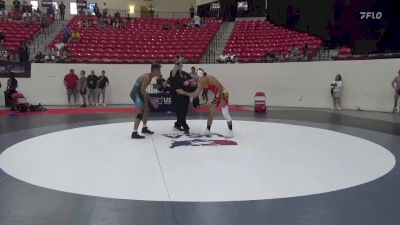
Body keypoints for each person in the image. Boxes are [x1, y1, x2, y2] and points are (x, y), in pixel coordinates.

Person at [177, 68, 234, 138]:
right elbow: (195, 95)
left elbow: (219, 86)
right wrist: (183, 92)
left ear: (200, 74)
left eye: (196, 75)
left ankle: (231, 131)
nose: (196, 77)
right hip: (217, 95)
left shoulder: (210, 77)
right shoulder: (201, 83)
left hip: (223, 93)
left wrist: (222, 100)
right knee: (211, 112)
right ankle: (208, 130)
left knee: (225, 113)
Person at [129, 62, 161, 139]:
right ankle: (134, 132)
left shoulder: (149, 77)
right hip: (136, 94)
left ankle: (144, 128)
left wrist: (148, 100)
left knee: (147, 109)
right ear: (155, 70)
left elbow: (142, 91)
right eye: (159, 70)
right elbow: (142, 90)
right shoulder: (147, 77)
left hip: (139, 93)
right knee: (140, 113)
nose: (160, 72)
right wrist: (151, 100)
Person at [170, 62, 192, 133]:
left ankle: (177, 124)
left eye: (180, 65)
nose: (179, 66)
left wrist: (188, 81)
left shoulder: (185, 74)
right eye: (178, 65)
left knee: (184, 111)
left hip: (185, 96)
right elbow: (174, 70)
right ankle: (185, 125)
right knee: (179, 112)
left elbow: (192, 79)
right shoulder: (173, 72)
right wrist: (177, 62)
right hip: (176, 96)